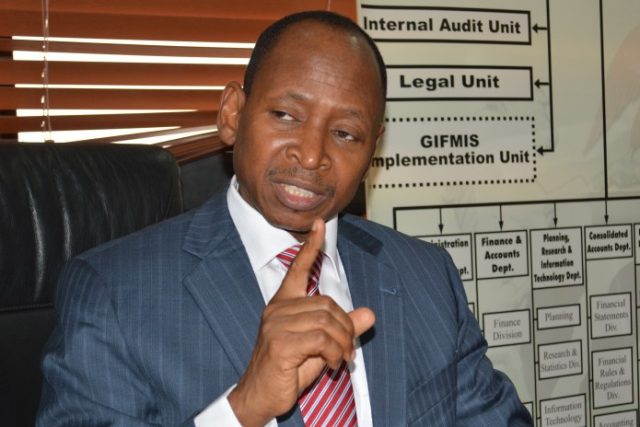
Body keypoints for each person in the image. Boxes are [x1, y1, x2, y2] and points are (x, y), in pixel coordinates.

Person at [37, 10, 532, 427]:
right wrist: (242, 409)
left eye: (345, 134)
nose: (312, 154)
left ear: (372, 150)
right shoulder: (114, 293)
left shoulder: (425, 275)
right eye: (285, 116)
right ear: (233, 114)